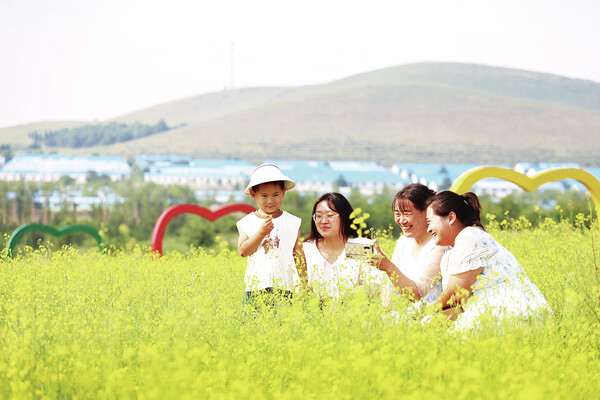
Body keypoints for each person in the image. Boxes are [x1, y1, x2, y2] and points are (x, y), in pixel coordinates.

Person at [424, 190, 550, 329]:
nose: (428, 229)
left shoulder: (469, 236)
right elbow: (455, 305)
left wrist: (428, 309)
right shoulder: (452, 254)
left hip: (511, 310)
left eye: (430, 222)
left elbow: (457, 294)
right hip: (496, 313)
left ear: (451, 217)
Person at [237, 164, 307, 305]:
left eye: (276, 195)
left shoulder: (292, 222)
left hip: (284, 288)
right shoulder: (248, 222)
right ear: (253, 195)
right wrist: (261, 233)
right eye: (264, 196)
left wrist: (305, 284)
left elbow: (299, 255)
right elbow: (243, 251)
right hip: (255, 289)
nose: (270, 200)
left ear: (284, 192)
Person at [303, 192, 388, 303]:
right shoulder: (306, 250)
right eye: (318, 216)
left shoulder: (359, 246)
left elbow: (376, 285)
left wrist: (342, 300)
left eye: (330, 215)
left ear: (344, 216)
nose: (323, 221)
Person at [370, 184, 445, 302]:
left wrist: (388, 267)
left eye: (407, 213)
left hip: (429, 316)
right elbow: (390, 285)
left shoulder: (439, 245)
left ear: (426, 212)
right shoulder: (402, 242)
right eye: (397, 214)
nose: (401, 220)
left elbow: (417, 294)